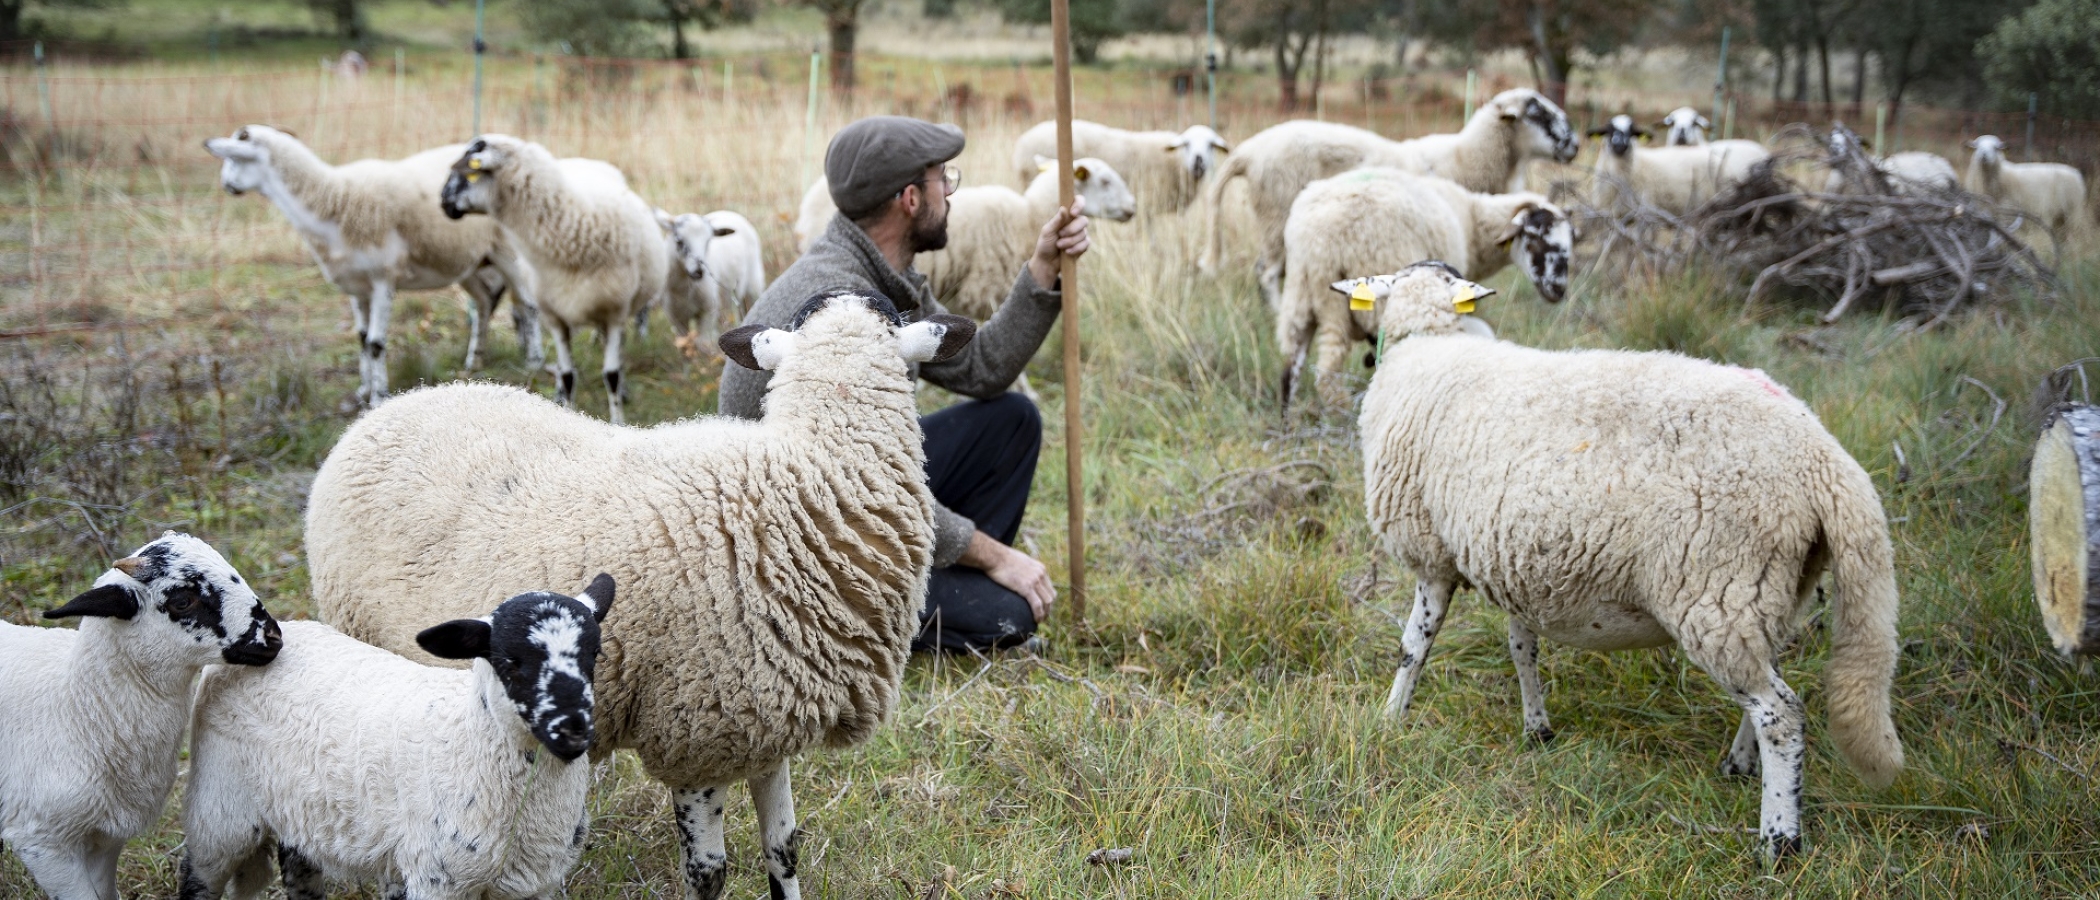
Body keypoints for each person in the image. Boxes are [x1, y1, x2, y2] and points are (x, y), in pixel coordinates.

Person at [718, 115, 1090, 653]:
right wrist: (994, 555)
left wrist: (1043, 265)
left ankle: (929, 580)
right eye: (946, 180)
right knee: (1009, 616)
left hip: (851, 495)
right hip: (799, 543)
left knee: (1011, 421)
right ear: (911, 199)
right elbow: (862, 488)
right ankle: (877, 614)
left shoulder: (882, 275)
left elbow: (982, 367)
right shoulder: (840, 310)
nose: (951, 195)